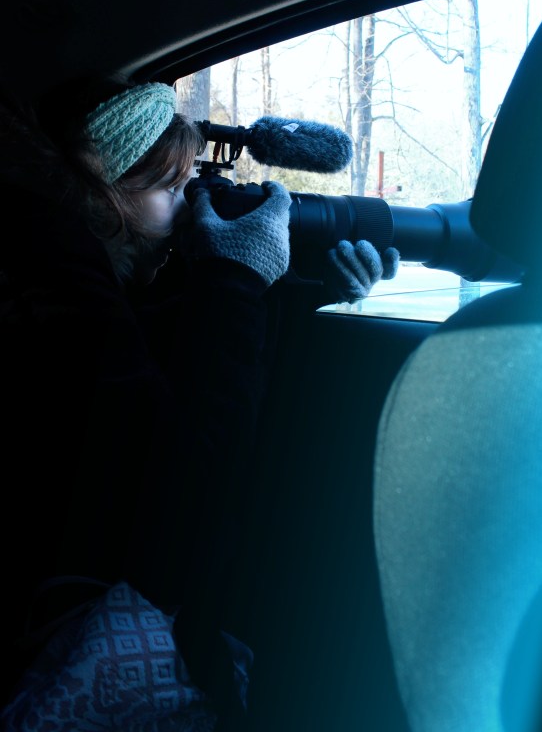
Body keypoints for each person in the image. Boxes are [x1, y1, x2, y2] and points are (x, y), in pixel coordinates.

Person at [0, 75, 398, 730]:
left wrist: (300, 286)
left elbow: (148, 346)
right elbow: (188, 498)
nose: (190, 207)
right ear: (103, 192)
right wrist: (236, 279)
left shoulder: (64, 270)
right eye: (169, 188)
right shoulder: (58, 288)